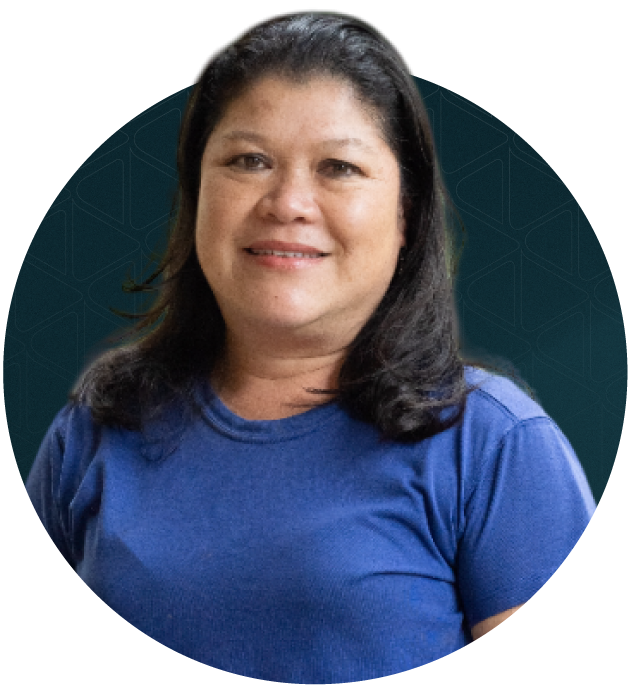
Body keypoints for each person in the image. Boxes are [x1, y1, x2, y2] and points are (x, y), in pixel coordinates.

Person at [25, 10, 596, 683]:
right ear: (196, 194)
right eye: (249, 161)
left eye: (338, 167)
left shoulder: (495, 446)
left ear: (407, 214)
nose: (288, 202)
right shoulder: (94, 427)